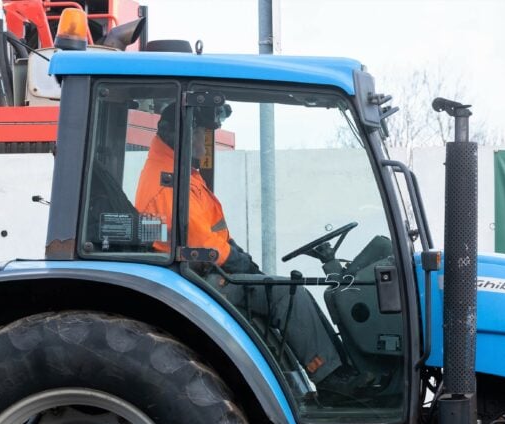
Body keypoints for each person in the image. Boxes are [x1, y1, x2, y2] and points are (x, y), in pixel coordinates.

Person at [134, 102, 358, 395]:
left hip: (203, 271)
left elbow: (213, 232)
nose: (206, 142)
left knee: (288, 291)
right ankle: (331, 378)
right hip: (199, 278)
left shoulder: (178, 170)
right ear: (184, 135)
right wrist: (243, 264)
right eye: (203, 133)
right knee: (287, 295)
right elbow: (206, 246)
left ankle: (338, 370)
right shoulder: (168, 183)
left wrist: (243, 259)